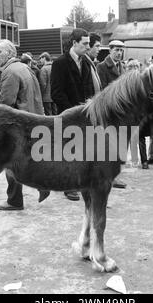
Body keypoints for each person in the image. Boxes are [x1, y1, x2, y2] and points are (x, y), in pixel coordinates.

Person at [0, 39, 46, 211]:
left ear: (9, 53)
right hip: (32, 121)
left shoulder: (9, 72)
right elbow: (37, 97)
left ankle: (15, 200)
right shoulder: (25, 68)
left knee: (11, 163)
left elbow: (6, 103)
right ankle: (43, 184)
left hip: (18, 127)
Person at [51, 28, 96, 201]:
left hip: (85, 115)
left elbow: (89, 89)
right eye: (84, 43)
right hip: (67, 116)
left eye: (88, 43)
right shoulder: (60, 63)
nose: (87, 46)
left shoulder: (85, 62)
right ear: (74, 43)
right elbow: (56, 93)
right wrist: (72, 112)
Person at [96, 40, 127, 189]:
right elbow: (102, 91)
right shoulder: (102, 67)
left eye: (121, 50)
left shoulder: (123, 66)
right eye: (117, 50)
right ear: (110, 50)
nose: (119, 53)